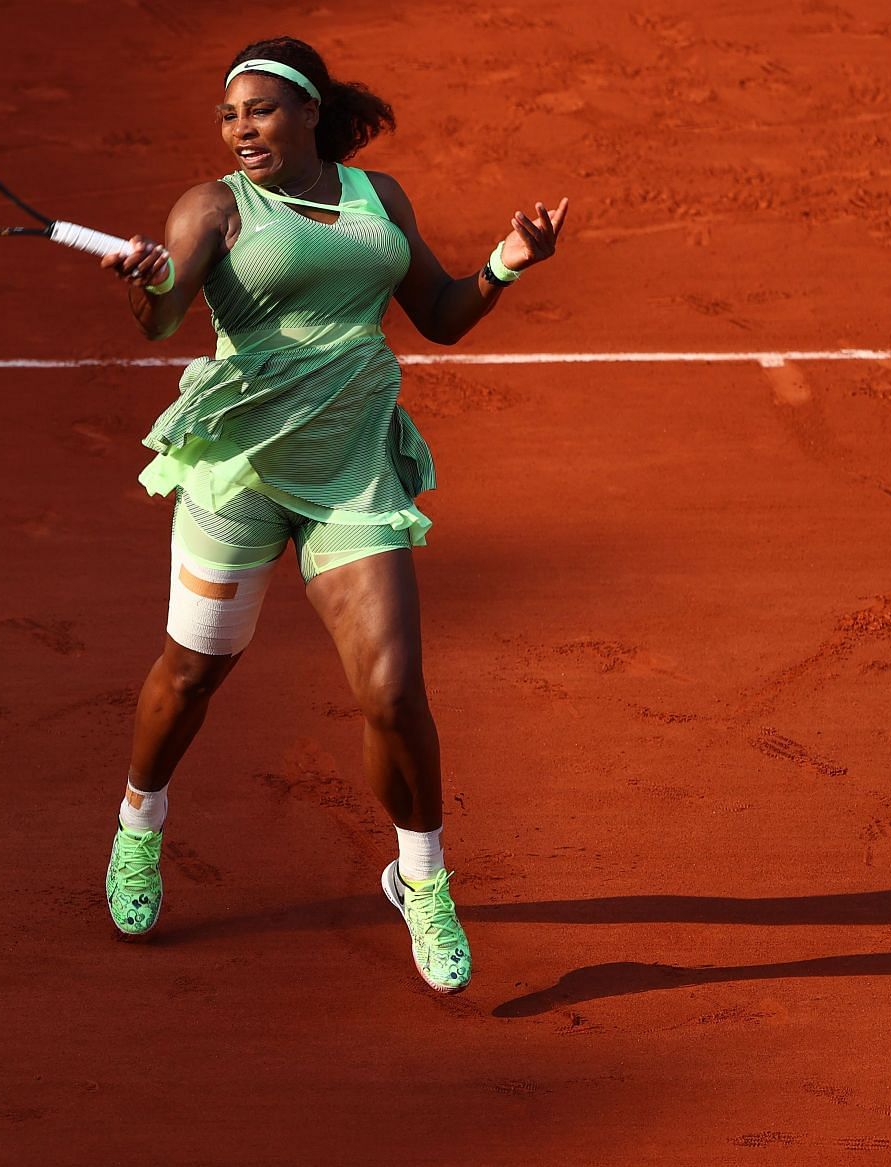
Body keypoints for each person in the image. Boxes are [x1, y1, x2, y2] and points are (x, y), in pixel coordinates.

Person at [97, 35, 568, 993]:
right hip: (241, 471)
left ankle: (422, 878)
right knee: (190, 677)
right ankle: (139, 824)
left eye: (260, 110)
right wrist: (150, 284)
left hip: (352, 467)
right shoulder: (213, 209)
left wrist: (508, 264)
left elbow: (435, 311)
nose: (241, 130)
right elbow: (162, 317)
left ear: (310, 111)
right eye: (229, 116)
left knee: (394, 693)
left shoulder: (377, 198)